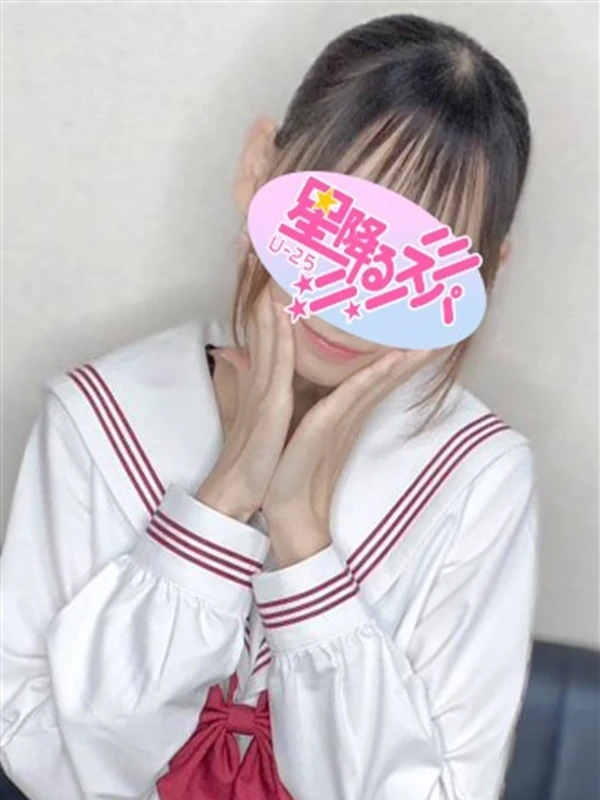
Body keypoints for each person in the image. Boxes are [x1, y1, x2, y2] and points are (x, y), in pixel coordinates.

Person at [0, 13, 539, 800]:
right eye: (339, 224)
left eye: (415, 264)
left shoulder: (480, 479)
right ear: (261, 168)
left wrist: (302, 535)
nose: (355, 297)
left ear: (484, 277)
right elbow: (35, 748)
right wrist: (221, 503)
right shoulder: (97, 417)